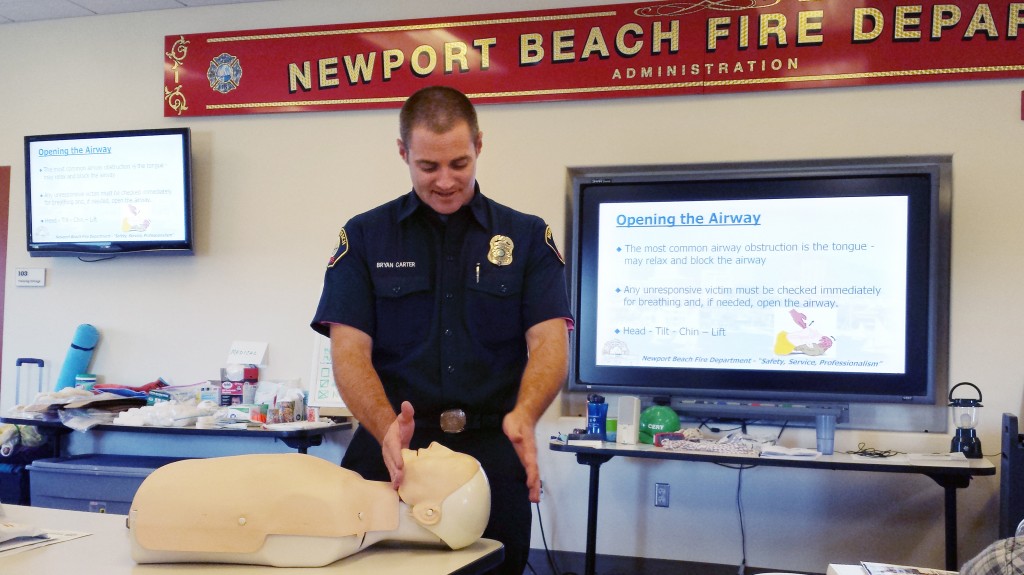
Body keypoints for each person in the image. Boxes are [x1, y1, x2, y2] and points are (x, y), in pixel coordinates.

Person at [311, 85, 572, 574]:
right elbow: (349, 352)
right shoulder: (366, 237)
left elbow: (549, 341)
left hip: (491, 450)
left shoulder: (526, 237)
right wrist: (386, 426)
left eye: (460, 163)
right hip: (392, 449)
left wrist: (526, 415)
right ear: (403, 152)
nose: (446, 181)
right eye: (428, 167)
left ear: (478, 145)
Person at [129, 443, 491, 567]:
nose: (432, 448)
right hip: (158, 504)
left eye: (442, 461)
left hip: (157, 506)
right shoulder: (342, 505)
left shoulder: (336, 522)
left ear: (429, 513)